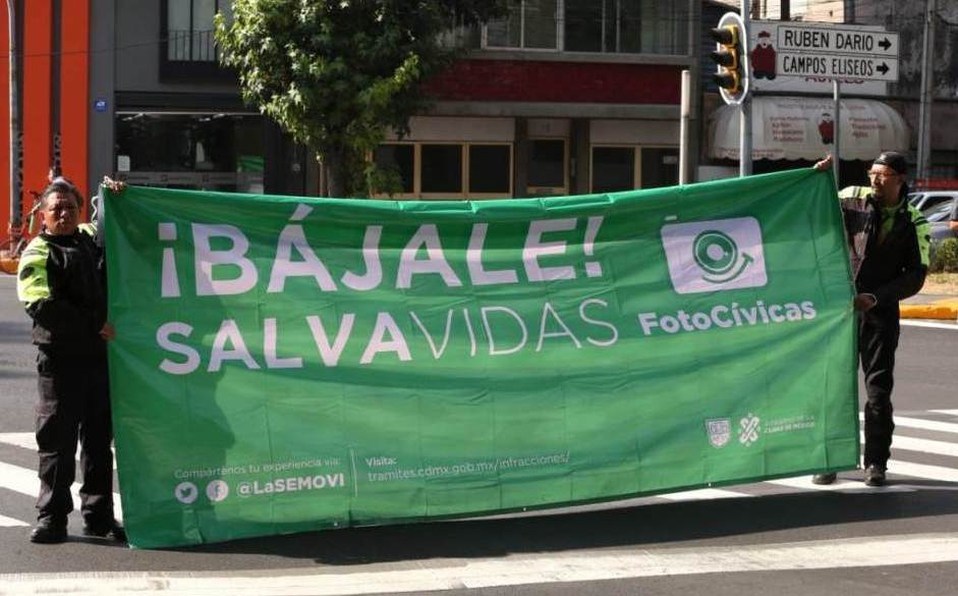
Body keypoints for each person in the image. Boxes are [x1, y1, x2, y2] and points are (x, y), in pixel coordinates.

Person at [16, 176, 126, 543]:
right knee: (57, 445)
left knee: (98, 444)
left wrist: (114, 194)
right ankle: (52, 518)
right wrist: (95, 325)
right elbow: (41, 305)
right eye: (56, 209)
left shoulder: (89, 238)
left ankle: (99, 518)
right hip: (60, 363)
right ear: (43, 216)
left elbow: (113, 219)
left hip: (98, 361)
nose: (64, 214)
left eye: (70, 208)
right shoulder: (36, 252)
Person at [812, 152, 930, 487]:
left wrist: (876, 298)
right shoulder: (852, 197)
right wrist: (818, 178)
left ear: (900, 179)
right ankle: (829, 460)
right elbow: (816, 205)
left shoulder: (914, 221)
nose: (875, 180)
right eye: (872, 173)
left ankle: (876, 463)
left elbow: (916, 276)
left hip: (880, 313)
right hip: (841, 311)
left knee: (878, 391)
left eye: (883, 175)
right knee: (835, 388)